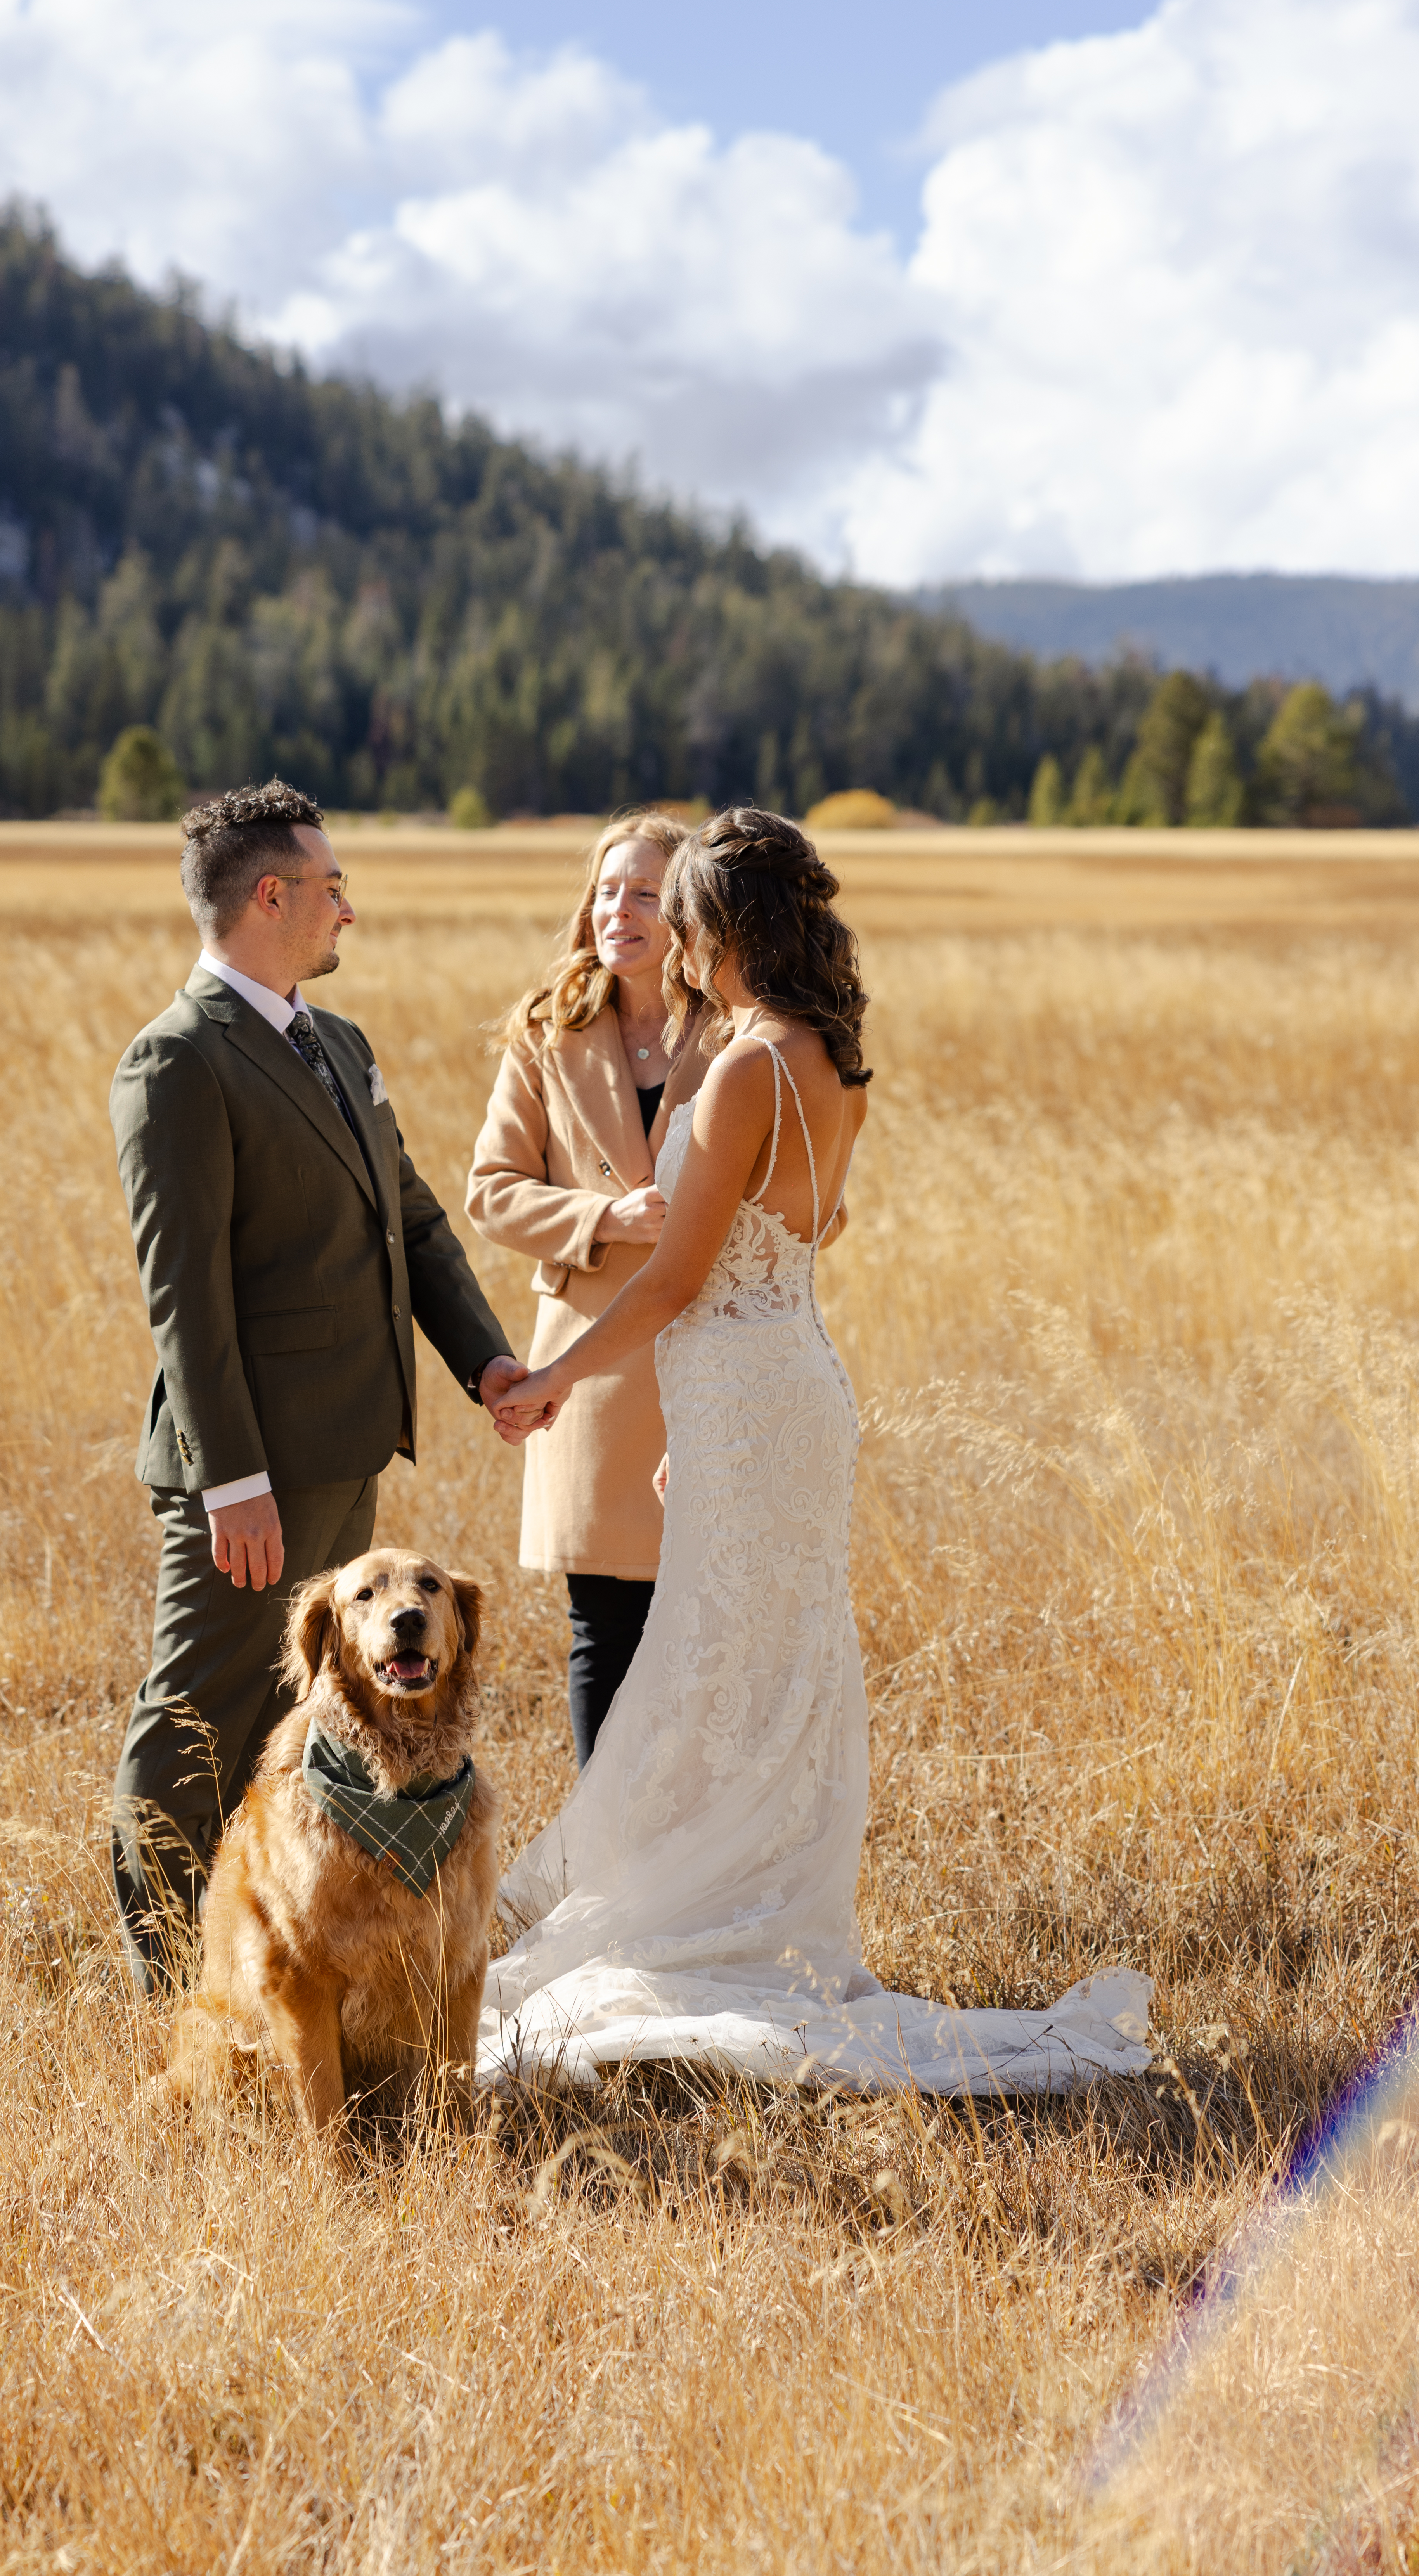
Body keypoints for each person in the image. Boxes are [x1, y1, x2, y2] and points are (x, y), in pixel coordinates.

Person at [482, 808, 1152, 2095]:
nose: (664, 940)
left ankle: (687, 1926)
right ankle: (736, 1904)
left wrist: (558, 1377)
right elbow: (810, 1232)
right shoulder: (823, 1060)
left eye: (678, 918)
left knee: (708, 1663)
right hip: (785, 1389)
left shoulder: (741, 1071)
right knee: (757, 1656)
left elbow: (678, 1277)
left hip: (747, 1388)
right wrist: (709, 1424)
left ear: (714, 930)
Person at [107, 780, 539, 1991]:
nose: (349, 907)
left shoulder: (335, 1042)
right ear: (270, 895)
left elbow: (409, 1220)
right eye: (332, 886)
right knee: (195, 1720)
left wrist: (486, 1361)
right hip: (251, 1474)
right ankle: (161, 1980)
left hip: (349, 1457)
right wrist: (230, 1479)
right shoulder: (176, 1063)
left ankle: (266, 1968)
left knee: (290, 1737)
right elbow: (182, 1296)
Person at [466, 812, 719, 1764]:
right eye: (609, 890)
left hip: (704, 1347)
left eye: (648, 893)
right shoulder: (546, 1031)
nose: (622, 910)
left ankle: (688, 1860)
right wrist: (600, 1221)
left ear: (687, 911)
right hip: (587, 1364)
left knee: (698, 1623)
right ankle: (607, 1861)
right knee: (603, 1629)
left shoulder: (734, 1031)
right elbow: (489, 1192)